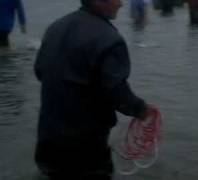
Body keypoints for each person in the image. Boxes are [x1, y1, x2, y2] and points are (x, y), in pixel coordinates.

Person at [34, 0, 156, 179]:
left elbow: (39, 71)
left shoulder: (55, 27)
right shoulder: (109, 38)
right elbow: (117, 93)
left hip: (47, 142)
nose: (121, 4)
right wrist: (142, 110)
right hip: (85, 149)